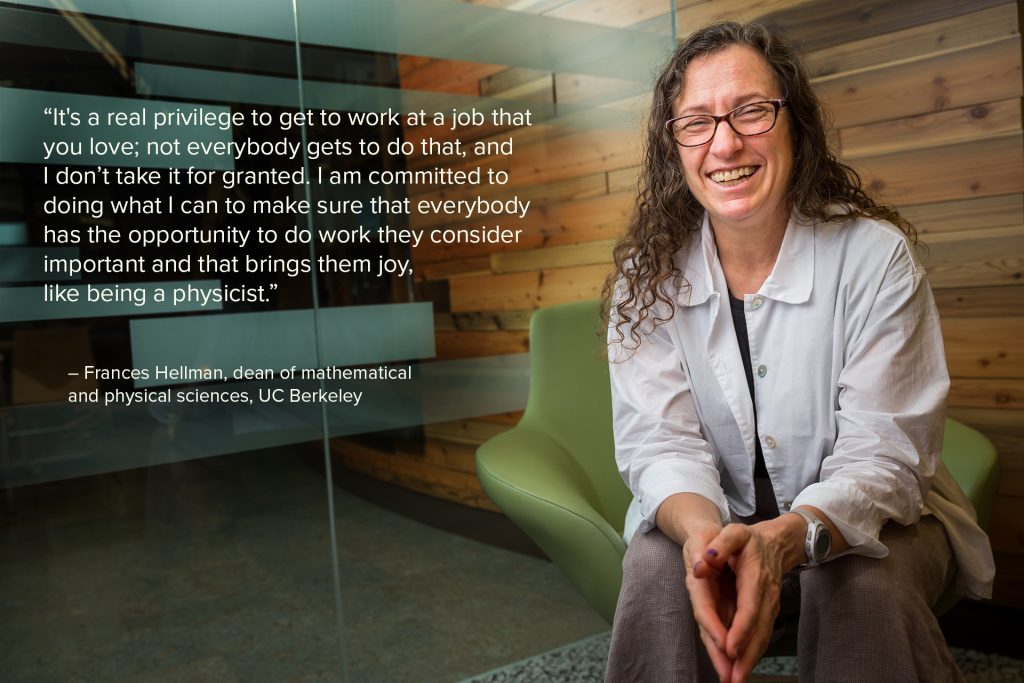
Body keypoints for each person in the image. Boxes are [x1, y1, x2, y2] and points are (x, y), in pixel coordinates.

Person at [601, 21, 995, 683]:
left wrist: (786, 538)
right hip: (720, 510)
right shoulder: (649, 278)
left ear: (795, 124)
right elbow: (657, 443)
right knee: (655, 569)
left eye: (752, 111)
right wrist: (705, 537)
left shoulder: (874, 258)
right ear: (673, 147)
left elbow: (884, 453)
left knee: (861, 584)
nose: (725, 142)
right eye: (696, 121)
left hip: (879, 513)